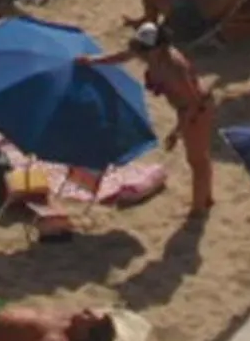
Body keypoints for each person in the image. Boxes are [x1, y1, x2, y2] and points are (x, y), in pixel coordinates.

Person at [85, 23, 216, 215]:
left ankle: (199, 208)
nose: (142, 54)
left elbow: (193, 103)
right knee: (200, 158)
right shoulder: (151, 54)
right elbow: (123, 56)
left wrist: (176, 131)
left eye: (145, 50)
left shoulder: (174, 67)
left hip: (196, 110)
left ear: (159, 47)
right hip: (187, 108)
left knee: (197, 161)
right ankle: (206, 199)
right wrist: (92, 60)